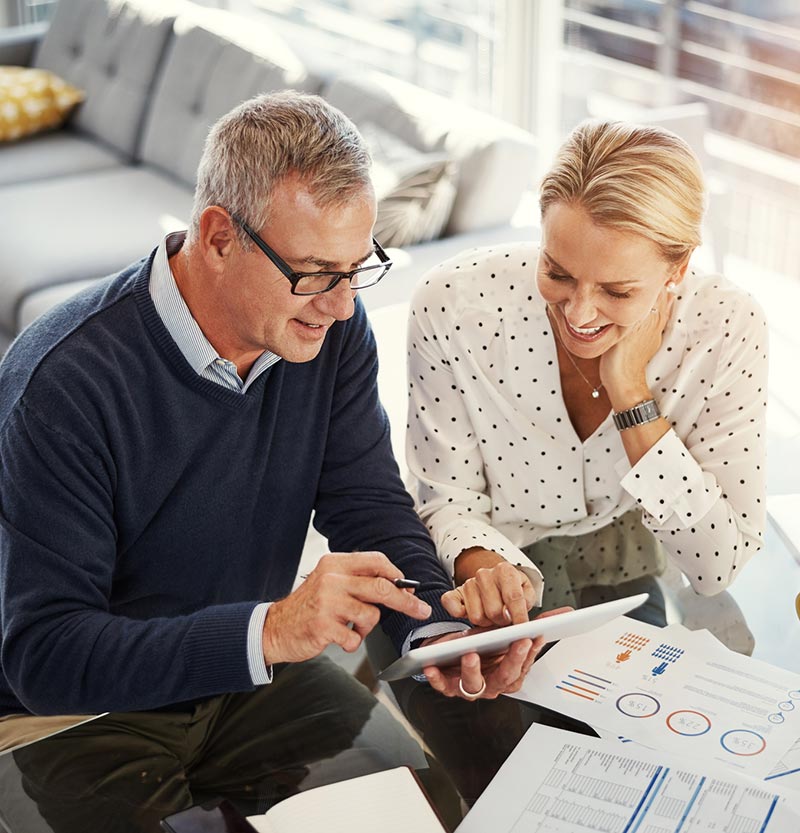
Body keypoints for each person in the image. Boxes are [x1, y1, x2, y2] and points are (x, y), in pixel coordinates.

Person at [0, 91, 545, 829]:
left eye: (359, 267)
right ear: (219, 236)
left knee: (419, 809)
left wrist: (434, 633)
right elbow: (46, 654)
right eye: (318, 272)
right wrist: (271, 631)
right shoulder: (65, 383)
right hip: (76, 710)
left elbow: (367, 502)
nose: (345, 305)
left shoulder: (326, 334)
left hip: (247, 677)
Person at [406, 118, 768, 629]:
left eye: (617, 292)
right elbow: (445, 499)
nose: (578, 314)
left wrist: (631, 395)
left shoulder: (725, 328)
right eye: (557, 273)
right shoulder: (453, 305)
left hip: (623, 564)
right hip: (477, 566)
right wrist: (487, 572)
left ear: (679, 268)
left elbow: (716, 565)